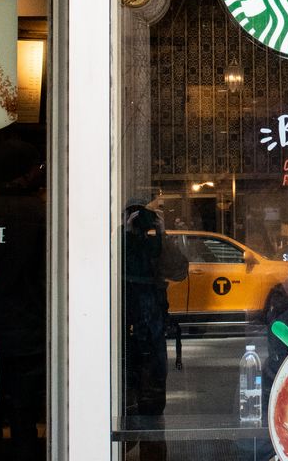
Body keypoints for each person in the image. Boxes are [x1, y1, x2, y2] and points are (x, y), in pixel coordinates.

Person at [121, 191, 188, 457]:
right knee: (123, 407)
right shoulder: (119, 241)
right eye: (134, 215)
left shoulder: (157, 243)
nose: (140, 222)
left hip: (152, 331)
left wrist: (163, 237)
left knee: (153, 405)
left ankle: (152, 454)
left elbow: (179, 272)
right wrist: (126, 236)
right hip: (124, 335)